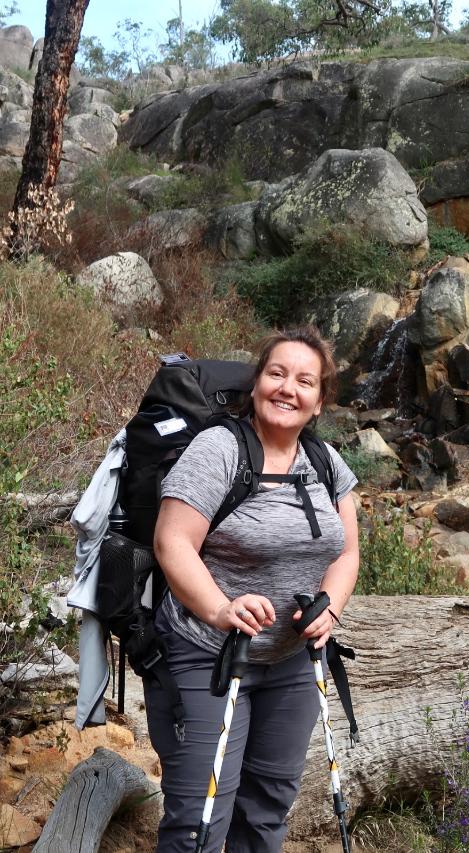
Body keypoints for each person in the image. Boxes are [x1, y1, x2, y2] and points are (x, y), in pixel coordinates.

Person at [147, 326, 360, 853]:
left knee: (265, 814)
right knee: (199, 819)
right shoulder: (217, 450)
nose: (288, 388)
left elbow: (347, 552)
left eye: (304, 381)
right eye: (277, 373)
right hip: (209, 654)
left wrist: (329, 609)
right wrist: (221, 608)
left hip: (291, 662)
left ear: (318, 402)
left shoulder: (327, 463)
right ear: (257, 383)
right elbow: (172, 541)